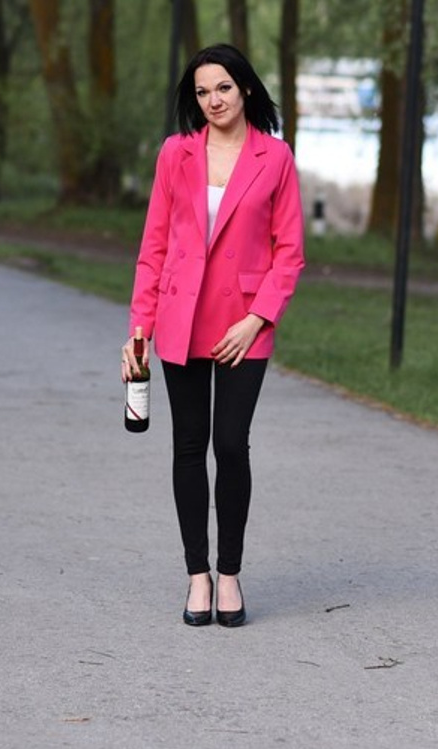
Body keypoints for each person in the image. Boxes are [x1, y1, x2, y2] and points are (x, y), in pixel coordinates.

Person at [121, 44, 305, 628]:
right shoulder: (175, 154)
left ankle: (230, 574)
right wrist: (139, 331)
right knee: (188, 446)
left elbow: (290, 253)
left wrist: (257, 320)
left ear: (245, 87)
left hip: (243, 326)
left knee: (230, 445)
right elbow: (153, 248)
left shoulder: (275, 157)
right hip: (180, 317)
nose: (213, 100)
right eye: (202, 92)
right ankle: (197, 575)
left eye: (223, 87)